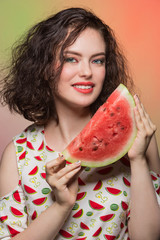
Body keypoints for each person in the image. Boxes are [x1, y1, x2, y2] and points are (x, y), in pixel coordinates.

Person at [0, 7, 160, 240]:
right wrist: (61, 206)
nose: (87, 72)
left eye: (97, 61)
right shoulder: (19, 154)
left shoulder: (140, 138)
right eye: (71, 59)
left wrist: (136, 159)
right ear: (44, 68)